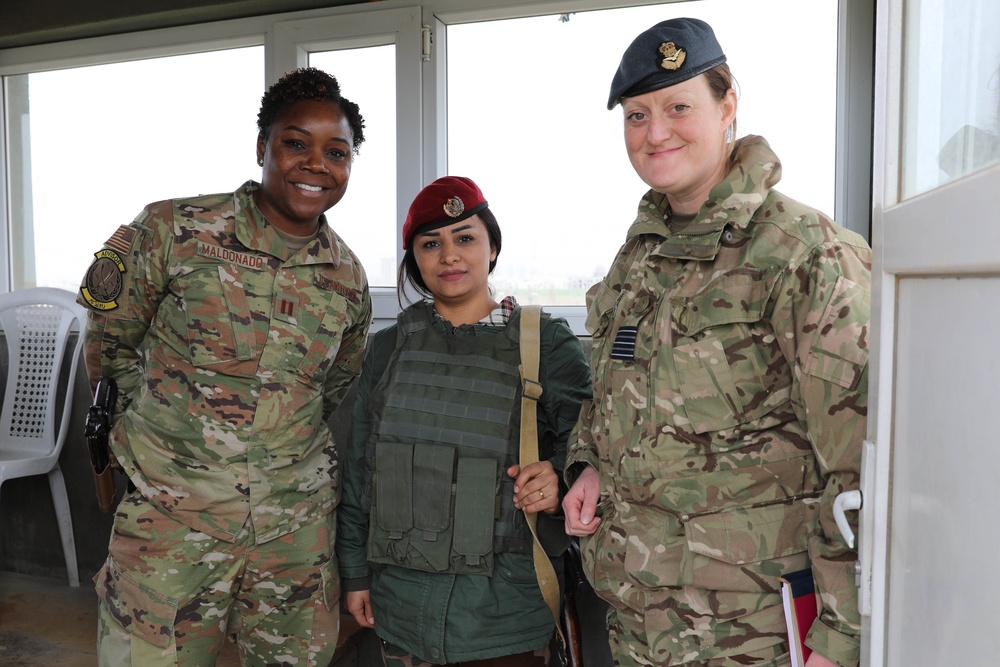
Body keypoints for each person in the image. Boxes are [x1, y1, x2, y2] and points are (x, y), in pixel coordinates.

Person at [561, 18, 871, 667]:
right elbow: (618, 391)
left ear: (728, 105)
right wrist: (589, 462)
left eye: (679, 106)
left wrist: (840, 639)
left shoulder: (804, 254)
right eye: (637, 114)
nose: (655, 132)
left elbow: (860, 465)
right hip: (640, 614)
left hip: (748, 631)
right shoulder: (640, 256)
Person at [76, 67, 372, 666]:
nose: (316, 164)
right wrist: (170, 426)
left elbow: (330, 387)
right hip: (171, 520)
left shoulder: (347, 277)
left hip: (295, 531)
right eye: (296, 143)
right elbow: (110, 343)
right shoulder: (174, 229)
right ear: (262, 147)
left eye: (336, 152)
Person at [336, 176, 592, 666]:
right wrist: (355, 575)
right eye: (431, 244)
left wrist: (558, 478)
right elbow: (360, 472)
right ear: (414, 259)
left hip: (505, 615)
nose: (449, 256)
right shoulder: (388, 349)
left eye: (465, 238)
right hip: (402, 609)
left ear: (492, 247)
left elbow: (593, 446)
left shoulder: (544, 342)